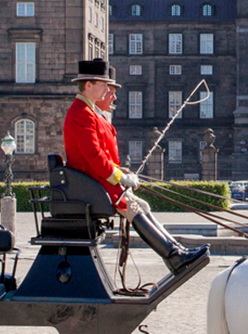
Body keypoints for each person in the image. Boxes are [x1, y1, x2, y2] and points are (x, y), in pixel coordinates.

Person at [63, 57, 207, 273]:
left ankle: (176, 252)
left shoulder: (88, 112)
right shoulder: (81, 114)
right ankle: (174, 256)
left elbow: (99, 156)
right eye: (103, 85)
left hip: (97, 182)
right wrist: (120, 178)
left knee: (143, 206)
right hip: (93, 186)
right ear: (89, 85)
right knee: (133, 208)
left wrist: (120, 172)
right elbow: (93, 157)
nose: (106, 89)